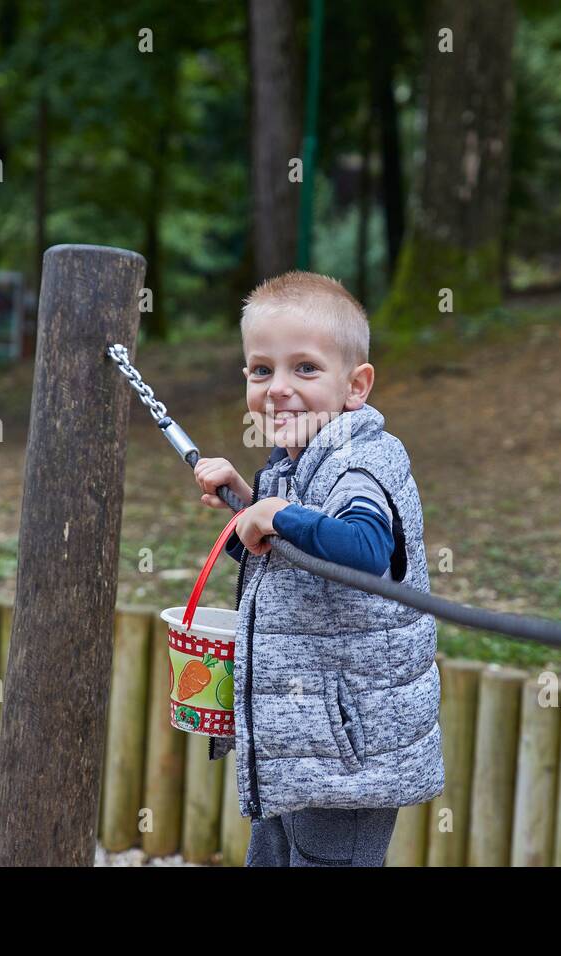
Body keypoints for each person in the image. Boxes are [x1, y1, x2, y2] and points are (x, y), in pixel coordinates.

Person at [192, 271, 444, 867]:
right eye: (261, 370)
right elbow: (284, 563)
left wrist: (274, 512)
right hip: (297, 744)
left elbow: (363, 547)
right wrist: (244, 505)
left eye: (305, 368)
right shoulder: (290, 461)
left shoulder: (359, 461)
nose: (278, 388)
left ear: (355, 385)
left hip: (347, 753)